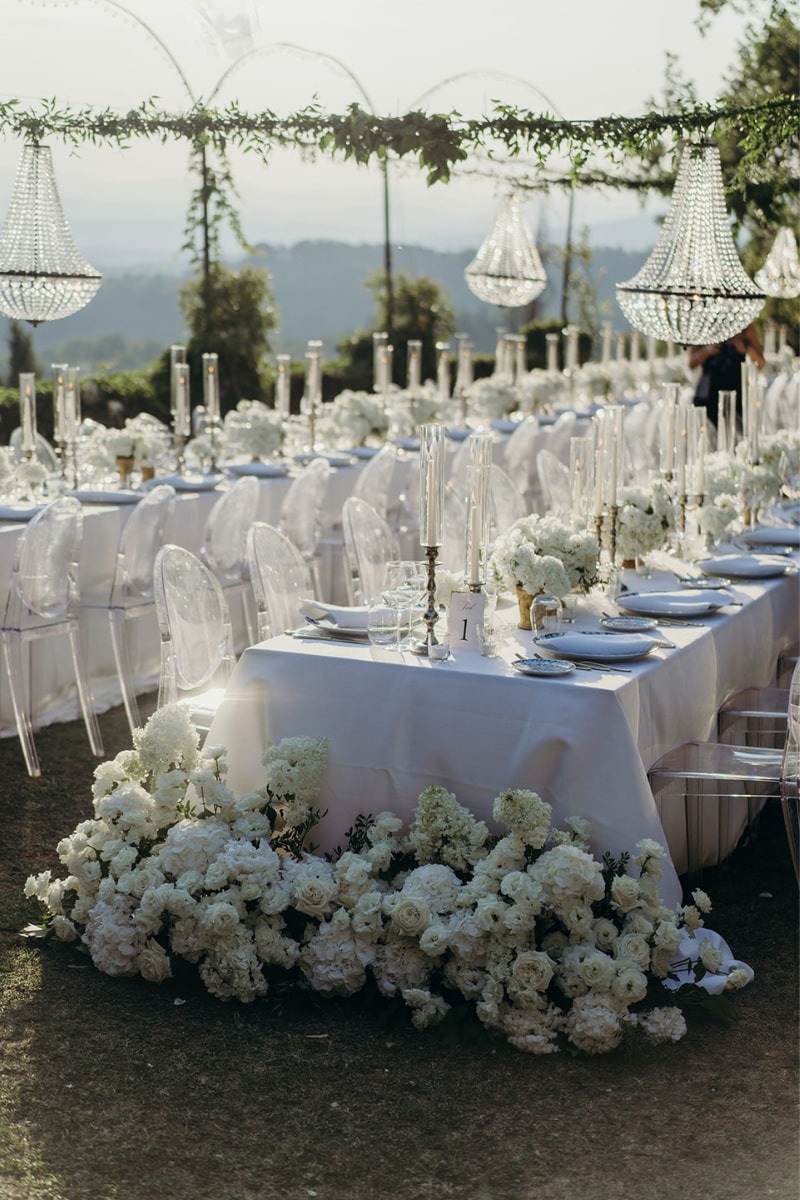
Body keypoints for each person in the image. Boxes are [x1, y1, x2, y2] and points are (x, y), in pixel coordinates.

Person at [688, 323, 766, 428]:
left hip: (737, 392)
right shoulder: (704, 321)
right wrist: (707, 350)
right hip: (708, 393)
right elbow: (691, 364)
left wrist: (746, 348)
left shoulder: (745, 325)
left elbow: (761, 364)